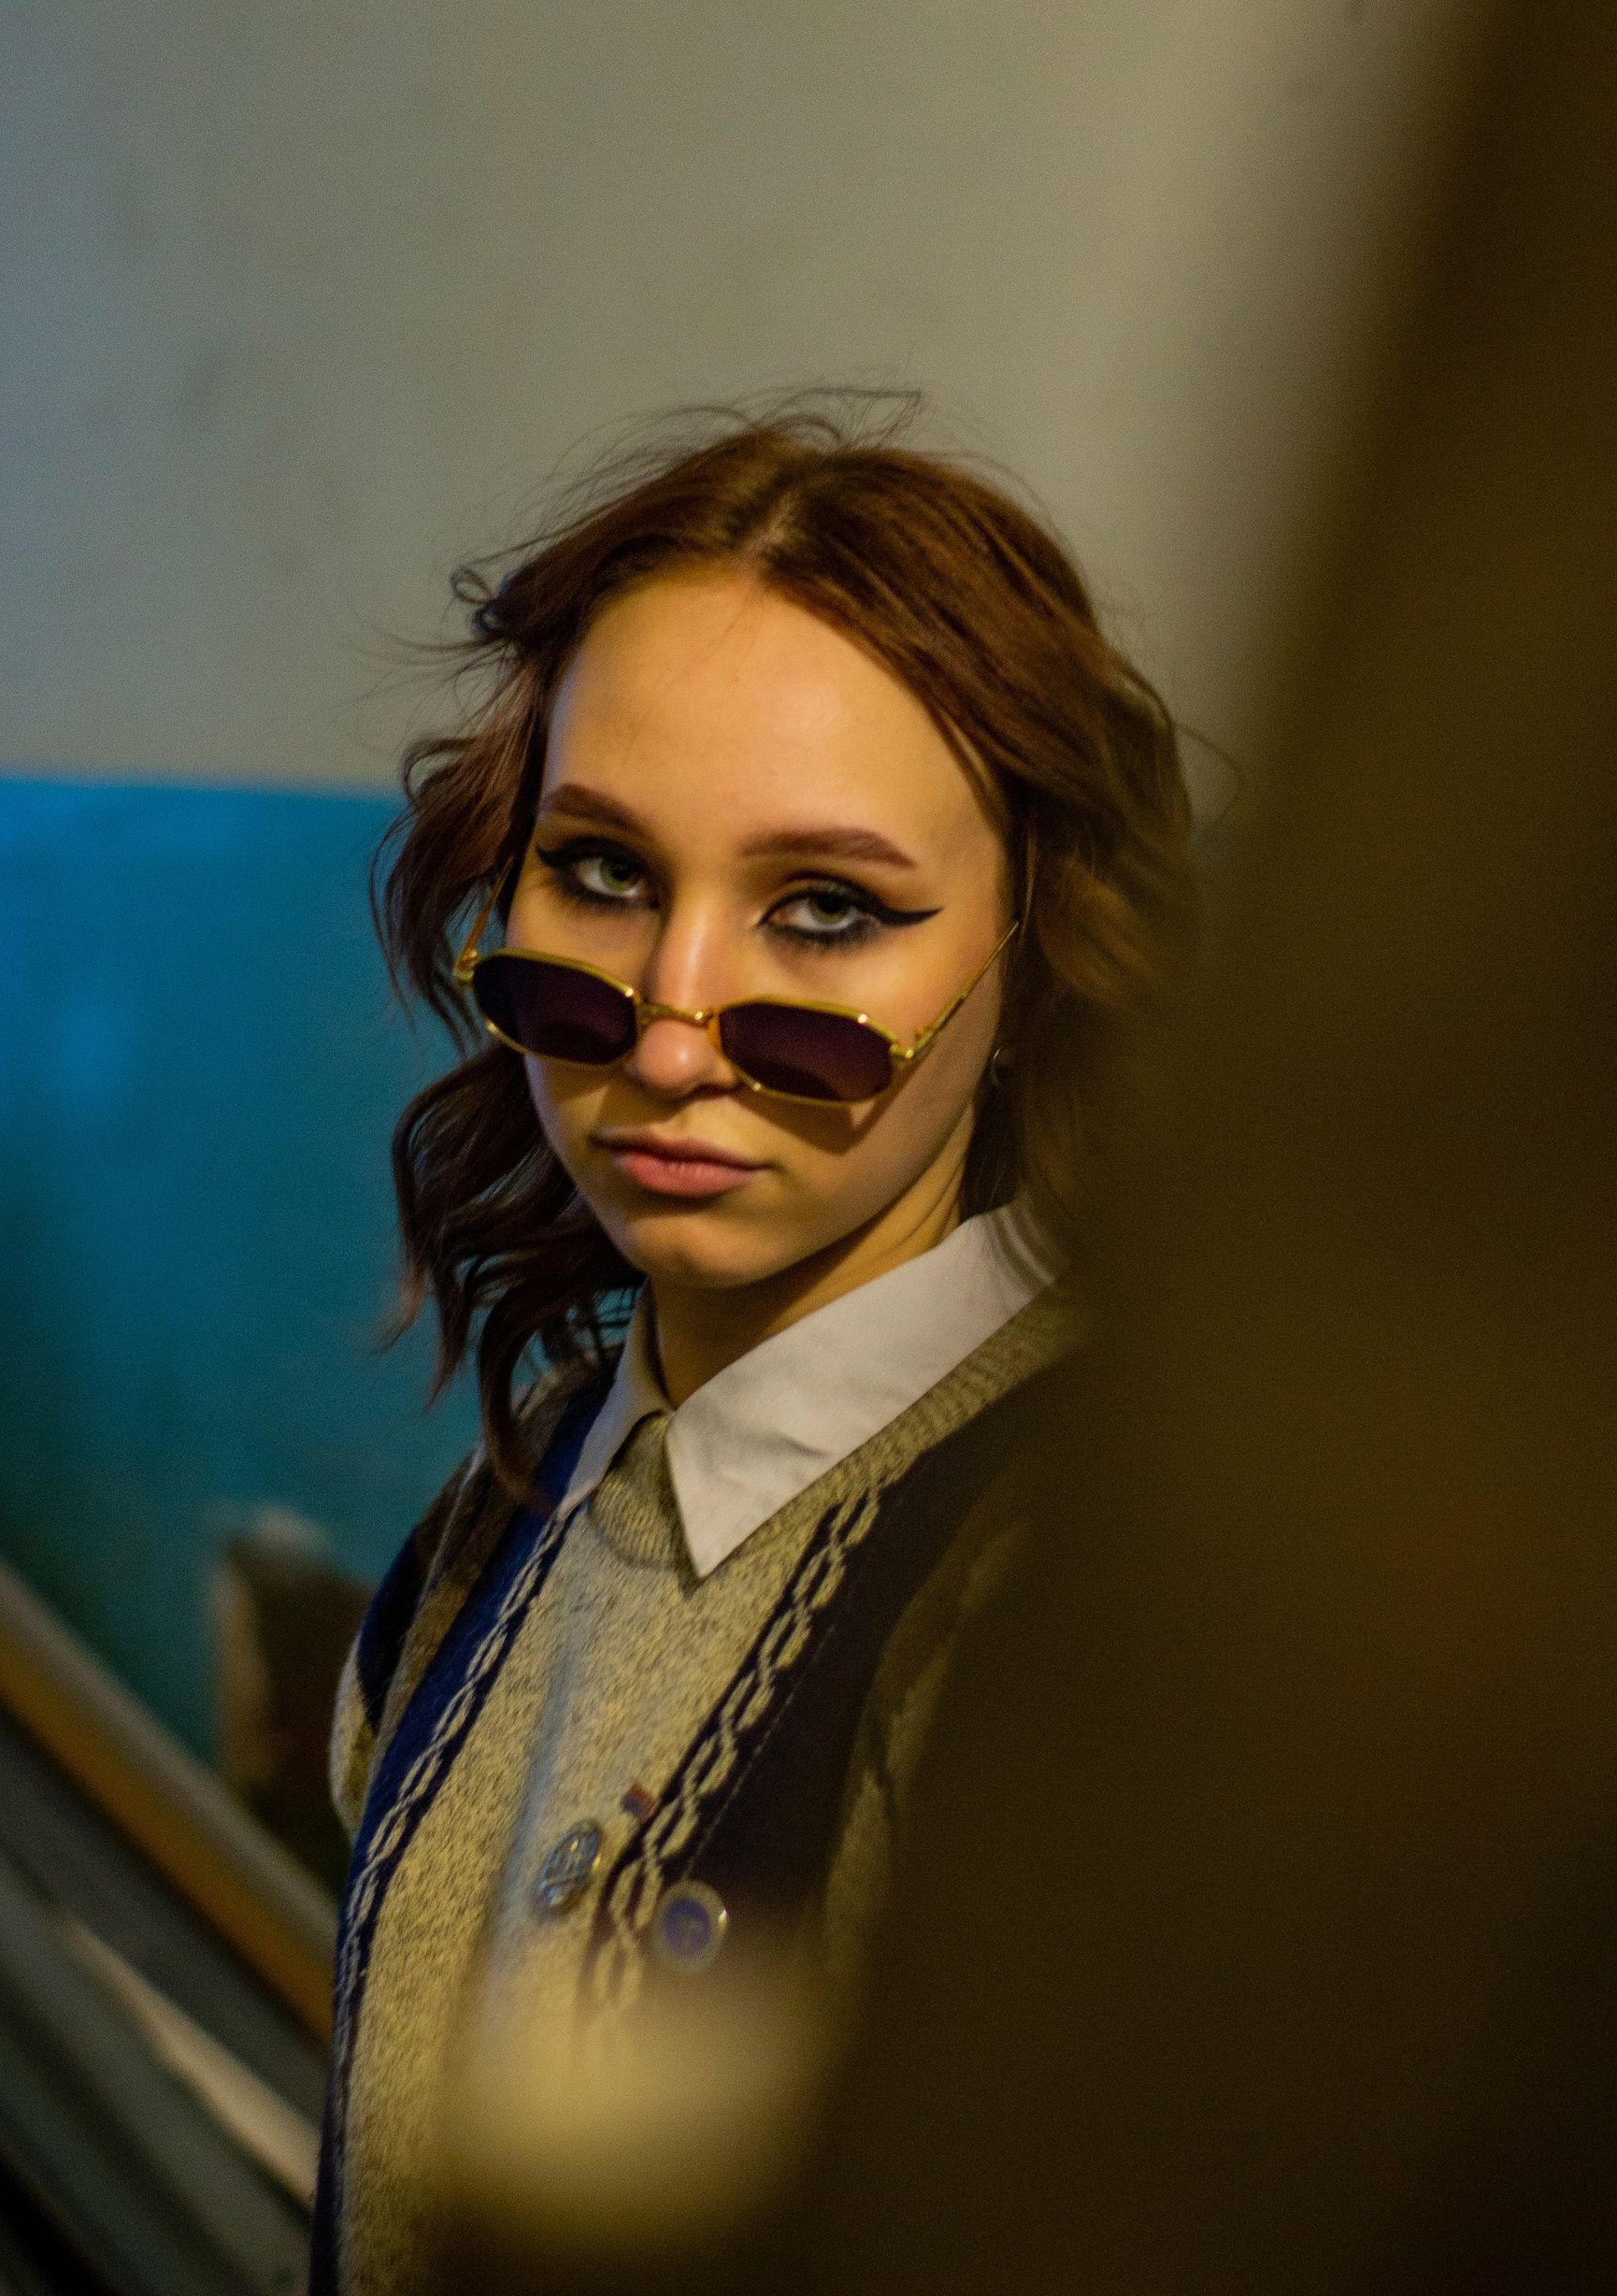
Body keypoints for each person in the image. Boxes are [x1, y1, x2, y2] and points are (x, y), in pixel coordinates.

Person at [310, 401, 1193, 2294]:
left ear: (1034, 954)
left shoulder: (1074, 1597)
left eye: (829, 910)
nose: (670, 1030)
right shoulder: (496, 1527)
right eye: (604, 872)